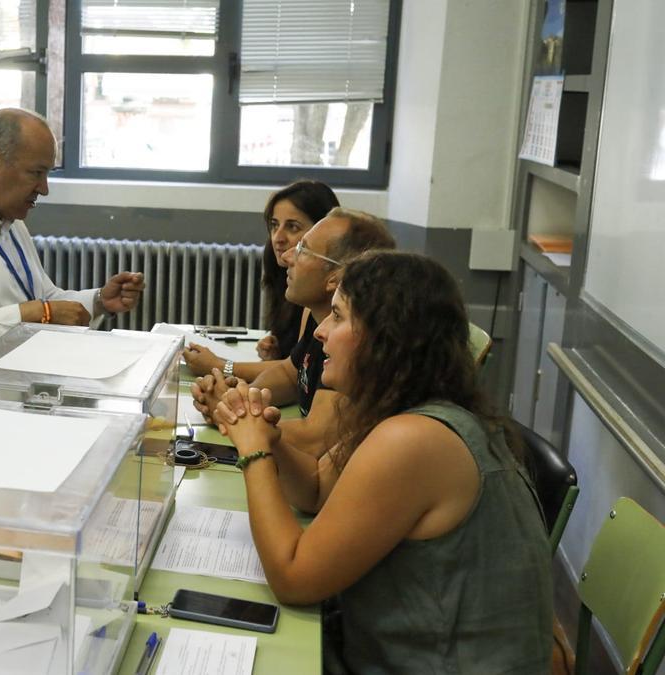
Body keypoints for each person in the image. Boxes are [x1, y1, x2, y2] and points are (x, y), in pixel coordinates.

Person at [212, 251, 552, 673]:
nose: (320, 332)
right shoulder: (408, 410)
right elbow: (317, 490)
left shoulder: (414, 440)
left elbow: (294, 579)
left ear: (382, 335)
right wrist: (271, 437)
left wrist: (253, 450)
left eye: (337, 317)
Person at [0, 108, 145, 376]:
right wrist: (32, 315)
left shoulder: (9, 218)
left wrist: (100, 300)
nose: (44, 188)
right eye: (36, 172)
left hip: (18, 382)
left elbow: (45, 298)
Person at [191, 208, 395, 456]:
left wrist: (234, 417)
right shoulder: (315, 316)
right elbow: (290, 374)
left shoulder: (357, 343)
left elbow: (315, 438)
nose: (287, 256)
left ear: (335, 277)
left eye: (302, 249)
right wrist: (239, 399)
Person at [187, 180, 338, 369]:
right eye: (274, 225)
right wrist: (279, 348)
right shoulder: (278, 267)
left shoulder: (326, 297)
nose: (278, 238)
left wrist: (220, 366)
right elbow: (293, 366)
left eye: (293, 227)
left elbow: (294, 373)